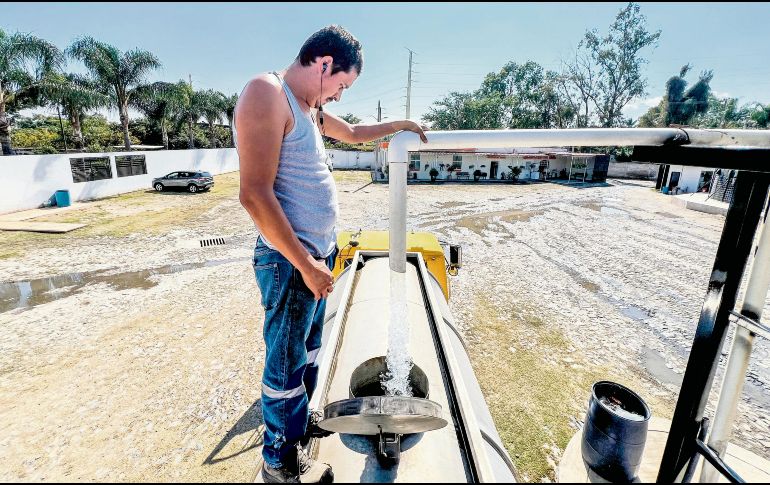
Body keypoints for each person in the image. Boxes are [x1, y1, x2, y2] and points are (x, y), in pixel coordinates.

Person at [234, 25, 427, 483]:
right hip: (290, 263)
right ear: (323, 63)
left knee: (309, 353)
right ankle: (279, 458)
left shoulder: (310, 110)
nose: (340, 96)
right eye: (341, 85)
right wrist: (306, 265)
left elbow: (357, 132)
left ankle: (298, 429)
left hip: (315, 260)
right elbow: (254, 195)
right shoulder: (267, 93)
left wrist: (401, 125)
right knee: (284, 361)